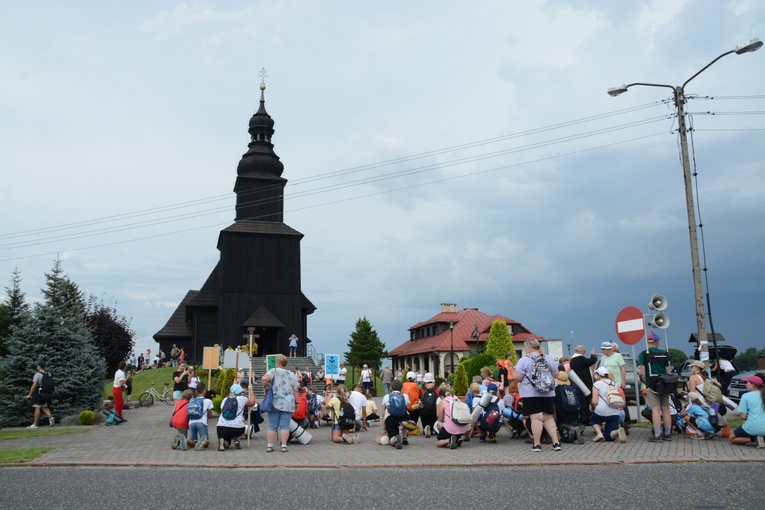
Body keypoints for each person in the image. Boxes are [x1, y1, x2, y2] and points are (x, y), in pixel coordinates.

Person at [514, 338, 562, 452]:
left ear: (529, 347)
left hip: (531, 393)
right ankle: (556, 443)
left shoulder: (524, 360)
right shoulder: (548, 358)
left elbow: (517, 378)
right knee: (549, 418)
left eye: (525, 347)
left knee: (536, 419)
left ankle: (537, 444)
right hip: (548, 392)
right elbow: (556, 374)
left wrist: (513, 371)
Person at [261, 354, 299, 452]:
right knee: (285, 425)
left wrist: (265, 386)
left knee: (272, 425)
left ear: (278, 363)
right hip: (288, 402)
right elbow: (296, 390)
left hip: (274, 401)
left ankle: (270, 445)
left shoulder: (273, 371)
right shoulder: (292, 374)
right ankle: (284, 445)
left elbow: (264, 378)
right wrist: (297, 402)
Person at [638, 333, 672, 442]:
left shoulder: (643, 354)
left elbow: (642, 372)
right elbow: (668, 370)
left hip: (652, 383)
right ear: (657, 342)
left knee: (656, 409)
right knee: (666, 408)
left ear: (649, 342)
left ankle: (657, 435)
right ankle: (667, 434)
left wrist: (645, 382)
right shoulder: (664, 354)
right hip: (664, 383)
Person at [589, 367, 626, 443]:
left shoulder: (596, 384)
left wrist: (592, 407)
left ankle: (599, 433)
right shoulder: (614, 383)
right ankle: (618, 431)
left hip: (601, 411)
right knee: (608, 436)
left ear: (598, 374)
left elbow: (594, 401)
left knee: (593, 419)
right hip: (615, 411)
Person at [599, 341, 629, 430]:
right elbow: (601, 370)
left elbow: (623, 369)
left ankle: (624, 422)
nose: (602, 351)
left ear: (608, 349)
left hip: (618, 383)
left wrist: (623, 381)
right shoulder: (603, 358)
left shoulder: (618, 356)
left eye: (603, 350)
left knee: (620, 403)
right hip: (607, 384)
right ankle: (612, 423)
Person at [729, 374, 765, 448]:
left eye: (747, 382)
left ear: (753, 385)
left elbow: (743, 416)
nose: (745, 384)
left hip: (752, 427)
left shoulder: (746, 396)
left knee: (732, 438)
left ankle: (754, 438)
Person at [217, 383, 255, 451]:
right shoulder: (242, 399)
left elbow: (222, 411)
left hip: (221, 427)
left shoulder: (225, 399)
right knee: (244, 427)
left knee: (227, 444)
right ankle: (237, 440)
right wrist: (251, 390)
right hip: (237, 428)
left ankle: (222, 441)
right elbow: (252, 403)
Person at [569, 344, 598, 435]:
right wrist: (593, 354)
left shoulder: (573, 359)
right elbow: (591, 361)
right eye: (584, 351)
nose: (585, 353)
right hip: (584, 384)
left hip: (578, 384)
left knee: (582, 402)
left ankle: (583, 419)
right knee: (585, 402)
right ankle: (585, 419)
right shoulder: (580, 358)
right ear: (581, 351)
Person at [435, 384, 469, 449]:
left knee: (438, 442)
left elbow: (440, 418)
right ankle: (457, 439)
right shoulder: (457, 399)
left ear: (441, 396)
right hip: (462, 426)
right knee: (454, 433)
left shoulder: (442, 402)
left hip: (450, 428)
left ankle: (450, 440)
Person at [553, 371, 582, 444]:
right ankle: (574, 428)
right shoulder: (572, 389)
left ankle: (573, 434)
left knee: (566, 439)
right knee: (570, 425)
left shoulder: (557, 390)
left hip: (562, 415)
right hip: (574, 414)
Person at [381, 379, 410, 449]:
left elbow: (383, 413)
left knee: (391, 437)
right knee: (404, 423)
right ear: (401, 388)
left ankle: (395, 439)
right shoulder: (405, 396)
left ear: (391, 388)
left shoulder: (386, 397)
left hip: (391, 418)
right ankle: (405, 438)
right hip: (403, 417)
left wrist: (384, 427)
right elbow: (407, 408)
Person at [24, 361, 55, 429]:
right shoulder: (48, 374)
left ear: (39, 366)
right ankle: (51, 417)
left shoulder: (37, 374)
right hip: (47, 393)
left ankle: (35, 424)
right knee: (44, 406)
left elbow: (34, 385)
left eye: (38, 365)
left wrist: (29, 394)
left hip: (39, 393)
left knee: (37, 407)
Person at [188, 382, 213, 450]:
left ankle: (186, 441)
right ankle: (202, 442)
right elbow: (210, 414)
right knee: (206, 441)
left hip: (191, 422)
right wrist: (208, 418)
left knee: (193, 440)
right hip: (201, 422)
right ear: (204, 391)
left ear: (196, 391)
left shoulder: (191, 400)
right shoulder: (208, 401)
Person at [419, 373, 438, 437]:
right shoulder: (437, 389)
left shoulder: (422, 389)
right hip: (434, 411)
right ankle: (433, 429)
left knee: (421, 410)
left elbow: (420, 400)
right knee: (434, 416)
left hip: (424, 412)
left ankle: (425, 428)